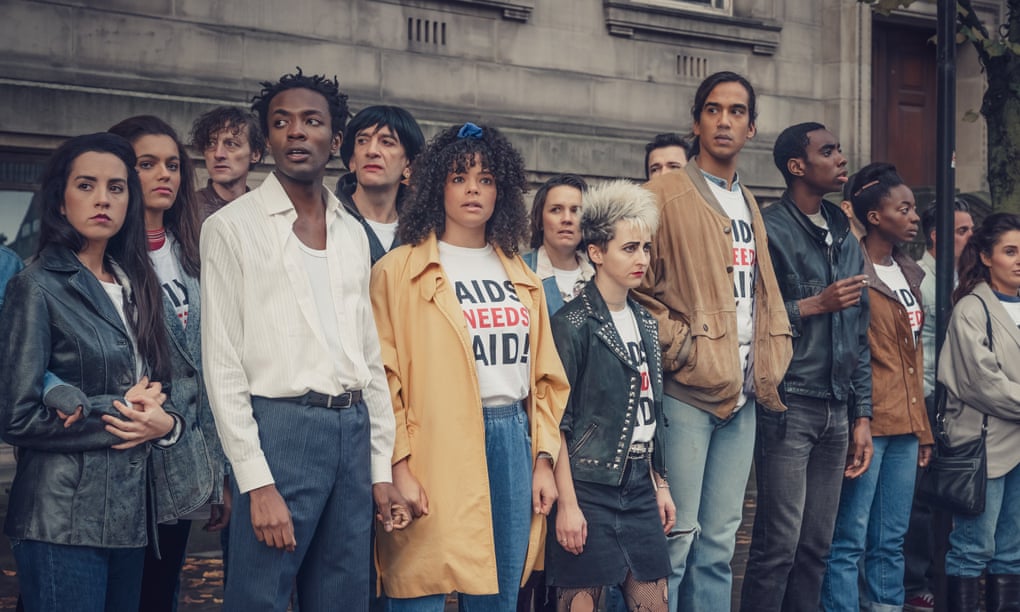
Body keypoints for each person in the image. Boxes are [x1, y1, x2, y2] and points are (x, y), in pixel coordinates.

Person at [200, 69, 406, 612]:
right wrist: (255, 483)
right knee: (259, 599)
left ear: (334, 141)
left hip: (353, 432)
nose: (297, 132)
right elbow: (221, 367)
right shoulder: (231, 227)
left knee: (343, 600)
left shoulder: (350, 231)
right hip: (280, 433)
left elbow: (370, 356)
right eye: (282, 122)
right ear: (267, 140)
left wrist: (380, 468)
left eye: (312, 122)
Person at [370, 122, 569, 611]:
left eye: (485, 179)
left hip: (509, 436)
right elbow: (382, 377)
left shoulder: (521, 274)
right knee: (419, 585)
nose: (473, 189)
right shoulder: (398, 270)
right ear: (438, 187)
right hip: (431, 441)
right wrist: (398, 463)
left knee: (499, 593)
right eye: (459, 178)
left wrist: (542, 460)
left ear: (501, 190)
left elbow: (544, 380)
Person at [633, 71, 793, 612]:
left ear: (753, 127)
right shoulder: (662, 194)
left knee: (720, 544)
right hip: (688, 393)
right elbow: (632, 287)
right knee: (676, 538)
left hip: (743, 394)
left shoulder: (747, 199)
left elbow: (761, 295)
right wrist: (683, 348)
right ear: (697, 121)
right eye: (713, 110)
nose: (725, 120)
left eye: (737, 111)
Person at [0, 132, 179, 611]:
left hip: (129, 517)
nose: (103, 198)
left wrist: (165, 423)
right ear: (60, 201)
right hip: (61, 518)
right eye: (86, 185)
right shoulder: (35, 286)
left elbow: (158, 388)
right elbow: (16, 415)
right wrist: (118, 413)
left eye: (117, 188)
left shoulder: (136, 284)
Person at [741, 122, 873, 612]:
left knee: (817, 547)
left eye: (839, 148)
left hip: (837, 409)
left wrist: (862, 415)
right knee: (777, 548)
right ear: (797, 166)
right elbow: (754, 319)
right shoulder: (770, 229)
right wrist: (814, 304)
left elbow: (859, 332)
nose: (841, 157)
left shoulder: (844, 231)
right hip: (789, 404)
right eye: (828, 151)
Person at [108, 115, 228, 612]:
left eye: (173, 165)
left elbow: (215, 364)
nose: (165, 175)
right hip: (123, 463)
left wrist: (216, 471)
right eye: (147, 164)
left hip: (182, 458)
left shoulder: (197, 249)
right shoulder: (102, 256)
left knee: (161, 594)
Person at [546, 179, 672, 612]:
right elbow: (555, 422)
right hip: (588, 485)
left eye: (646, 248)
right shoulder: (572, 323)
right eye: (630, 248)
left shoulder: (648, 323)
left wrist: (660, 483)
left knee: (654, 602)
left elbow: (652, 412)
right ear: (596, 252)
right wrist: (567, 505)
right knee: (581, 604)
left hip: (639, 484)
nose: (642, 259)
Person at [821, 162, 933, 612]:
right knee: (849, 537)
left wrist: (922, 428)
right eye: (903, 208)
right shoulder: (852, 267)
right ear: (873, 216)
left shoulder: (910, 274)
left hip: (906, 426)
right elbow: (850, 352)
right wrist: (856, 421)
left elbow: (914, 360)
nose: (914, 217)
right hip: (868, 424)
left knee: (891, 538)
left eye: (913, 208)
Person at [937, 212, 1020, 612]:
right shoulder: (972, 309)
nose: (1019, 259)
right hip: (983, 449)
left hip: (1019, 446)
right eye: (1010, 251)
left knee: (1012, 552)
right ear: (987, 257)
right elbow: (982, 383)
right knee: (973, 548)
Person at [902, 198, 973, 612]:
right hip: (927, 395)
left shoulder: (962, 278)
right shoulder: (922, 280)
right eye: (962, 231)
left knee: (952, 490)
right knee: (921, 499)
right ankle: (917, 581)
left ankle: (942, 575)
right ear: (936, 236)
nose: (970, 237)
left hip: (957, 400)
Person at [335, 105, 425, 264]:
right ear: (352, 161)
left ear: (409, 164)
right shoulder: (328, 217)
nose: (372, 151)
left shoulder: (423, 228)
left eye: (387, 142)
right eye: (362, 141)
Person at [523, 174, 595, 315]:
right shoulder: (521, 272)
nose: (567, 219)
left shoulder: (600, 276)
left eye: (576, 210)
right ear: (540, 219)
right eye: (556, 209)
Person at [190, 106, 265, 218]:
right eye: (211, 144)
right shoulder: (188, 210)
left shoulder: (263, 212)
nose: (218, 154)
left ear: (255, 154)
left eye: (231, 144)